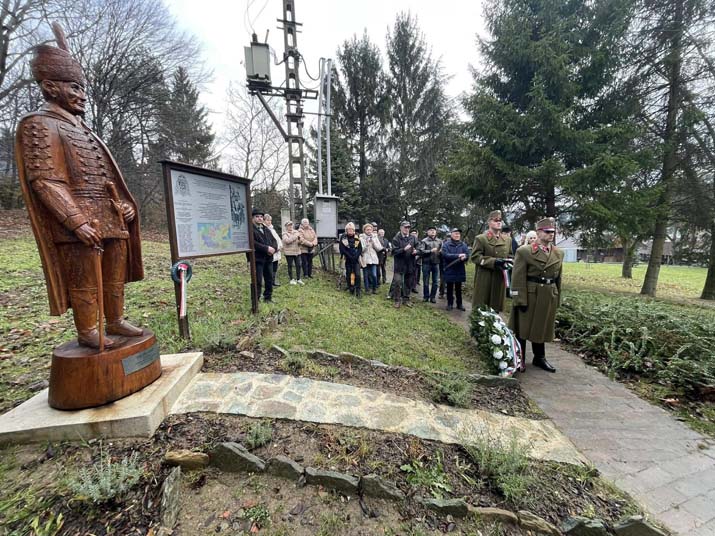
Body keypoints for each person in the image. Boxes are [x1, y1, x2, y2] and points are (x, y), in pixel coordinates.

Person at [15, 25, 143, 349]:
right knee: (84, 276)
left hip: (111, 216)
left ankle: (115, 319)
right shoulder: (39, 124)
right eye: (75, 87)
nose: (82, 95)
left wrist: (126, 206)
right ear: (50, 87)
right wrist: (77, 222)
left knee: (114, 273)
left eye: (82, 88)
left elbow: (110, 179)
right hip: (76, 219)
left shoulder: (86, 131)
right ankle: (88, 329)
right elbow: (45, 180)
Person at [509, 217, 564, 373]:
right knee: (523, 328)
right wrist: (519, 298)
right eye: (547, 231)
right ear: (539, 232)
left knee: (541, 326)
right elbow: (517, 277)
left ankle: (539, 357)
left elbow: (559, 278)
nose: (551, 234)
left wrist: (557, 297)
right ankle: (519, 358)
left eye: (553, 231)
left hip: (548, 294)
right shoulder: (524, 251)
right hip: (530, 293)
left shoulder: (558, 253)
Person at [471, 210, 512, 313]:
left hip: (499, 276)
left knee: (495, 307)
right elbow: (475, 257)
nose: (498, 222)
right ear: (489, 222)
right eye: (495, 220)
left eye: (500, 220)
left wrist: (509, 262)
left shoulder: (507, 240)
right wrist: (493, 261)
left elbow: (510, 255)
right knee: (482, 307)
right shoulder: (481, 239)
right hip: (485, 276)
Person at [391, 221, 419, 308]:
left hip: (410, 264)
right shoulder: (396, 238)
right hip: (399, 264)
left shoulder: (413, 238)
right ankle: (397, 300)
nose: (407, 229)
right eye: (405, 227)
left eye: (408, 227)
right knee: (397, 282)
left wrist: (416, 251)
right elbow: (394, 252)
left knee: (408, 283)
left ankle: (406, 300)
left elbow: (419, 247)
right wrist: (403, 249)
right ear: (401, 228)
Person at [251, 209, 277, 302]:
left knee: (269, 278)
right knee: (257, 280)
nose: (260, 218)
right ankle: (256, 300)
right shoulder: (250, 229)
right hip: (257, 259)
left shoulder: (266, 228)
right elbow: (253, 243)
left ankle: (268, 298)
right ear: (252, 218)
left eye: (261, 217)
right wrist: (266, 249)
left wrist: (273, 249)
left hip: (268, 258)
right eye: (257, 216)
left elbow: (274, 240)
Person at [441, 228, 470, 311]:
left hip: (459, 269)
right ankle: (450, 304)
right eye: (456, 233)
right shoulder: (446, 245)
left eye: (458, 234)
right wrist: (458, 256)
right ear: (451, 234)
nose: (457, 235)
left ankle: (459, 304)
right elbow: (445, 255)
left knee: (458, 288)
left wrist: (465, 257)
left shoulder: (463, 245)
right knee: (449, 287)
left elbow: (467, 254)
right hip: (450, 268)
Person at [418, 226, 442, 303]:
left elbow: (442, 251)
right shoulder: (424, 241)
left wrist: (441, 252)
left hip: (436, 263)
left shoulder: (439, 241)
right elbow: (421, 252)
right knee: (426, 281)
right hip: (426, 263)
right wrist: (430, 251)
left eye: (434, 230)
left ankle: (433, 297)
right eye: (431, 230)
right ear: (427, 232)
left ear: (436, 232)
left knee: (435, 282)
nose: (433, 231)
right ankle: (426, 296)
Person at [339, 222, 363, 296]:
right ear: (346, 230)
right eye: (349, 229)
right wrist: (349, 256)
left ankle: (358, 289)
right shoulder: (343, 238)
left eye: (351, 229)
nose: (350, 231)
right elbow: (342, 249)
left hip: (356, 259)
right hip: (348, 259)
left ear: (354, 230)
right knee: (349, 274)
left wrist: (356, 256)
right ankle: (351, 288)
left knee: (357, 275)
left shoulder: (357, 238)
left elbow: (360, 248)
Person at [360, 223, 383, 294]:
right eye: (367, 230)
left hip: (373, 258)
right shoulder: (361, 238)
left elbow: (379, 248)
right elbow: (361, 250)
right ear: (364, 230)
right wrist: (366, 244)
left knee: (374, 275)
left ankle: (374, 288)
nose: (369, 231)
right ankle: (367, 289)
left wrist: (373, 242)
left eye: (370, 229)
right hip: (365, 259)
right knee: (366, 275)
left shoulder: (375, 237)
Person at [282, 220, 303, 285]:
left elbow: (300, 241)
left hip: (297, 252)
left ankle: (298, 279)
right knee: (290, 265)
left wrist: (300, 240)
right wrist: (296, 236)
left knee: (298, 265)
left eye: (291, 225)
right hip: (289, 253)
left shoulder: (296, 232)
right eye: (289, 225)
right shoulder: (284, 234)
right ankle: (291, 279)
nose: (290, 226)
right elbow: (287, 241)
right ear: (286, 227)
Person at [264, 214, 282, 286]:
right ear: (264, 221)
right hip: (270, 252)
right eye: (267, 220)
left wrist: (280, 246)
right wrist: (274, 248)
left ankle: (273, 281)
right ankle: (269, 282)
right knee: (269, 269)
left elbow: (278, 239)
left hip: (277, 252)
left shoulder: (272, 229)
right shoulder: (264, 230)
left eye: (270, 220)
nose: (269, 222)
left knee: (275, 268)